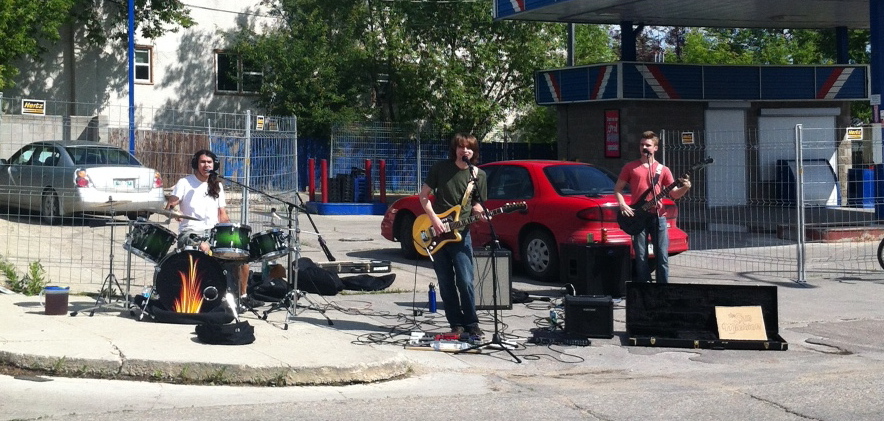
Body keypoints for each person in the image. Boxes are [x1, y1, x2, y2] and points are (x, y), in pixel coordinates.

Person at [165, 149, 255, 309]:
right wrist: (175, 211)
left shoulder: (217, 186)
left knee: (242, 256)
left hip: (214, 233)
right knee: (204, 248)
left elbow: (222, 215)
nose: (205, 165)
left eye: (209, 162)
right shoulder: (185, 183)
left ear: (214, 165)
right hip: (191, 233)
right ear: (196, 164)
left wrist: (233, 233)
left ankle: (242, 297)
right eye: (202, 162)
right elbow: (171, 205)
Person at [418, 133, 488, 338]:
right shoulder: (441, 168)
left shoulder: (478, 175)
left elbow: (477, 202)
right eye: (461, 147)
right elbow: (424, 195)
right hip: (438, 233)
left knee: (465, 280)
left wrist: (478, 210)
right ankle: (455, 323)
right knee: (446, 280)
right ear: (455, 149)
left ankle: (472, 323)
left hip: (461, 234)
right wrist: (434, 220)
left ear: (473, 152)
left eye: (469, 148)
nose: (464, 150)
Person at [614, 131, 691, 284]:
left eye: (648, 145)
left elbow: (674, 194)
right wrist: (622, 204)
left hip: (658, 216)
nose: (644, 148)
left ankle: (663, 289)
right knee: (641, 255)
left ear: (655, 148)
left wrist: (685, 188)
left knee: (662, 255)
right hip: (638, 215)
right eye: (642, 145)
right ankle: (644, 288)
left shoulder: (663, 170)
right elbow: (618, 189)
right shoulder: (630, 167)